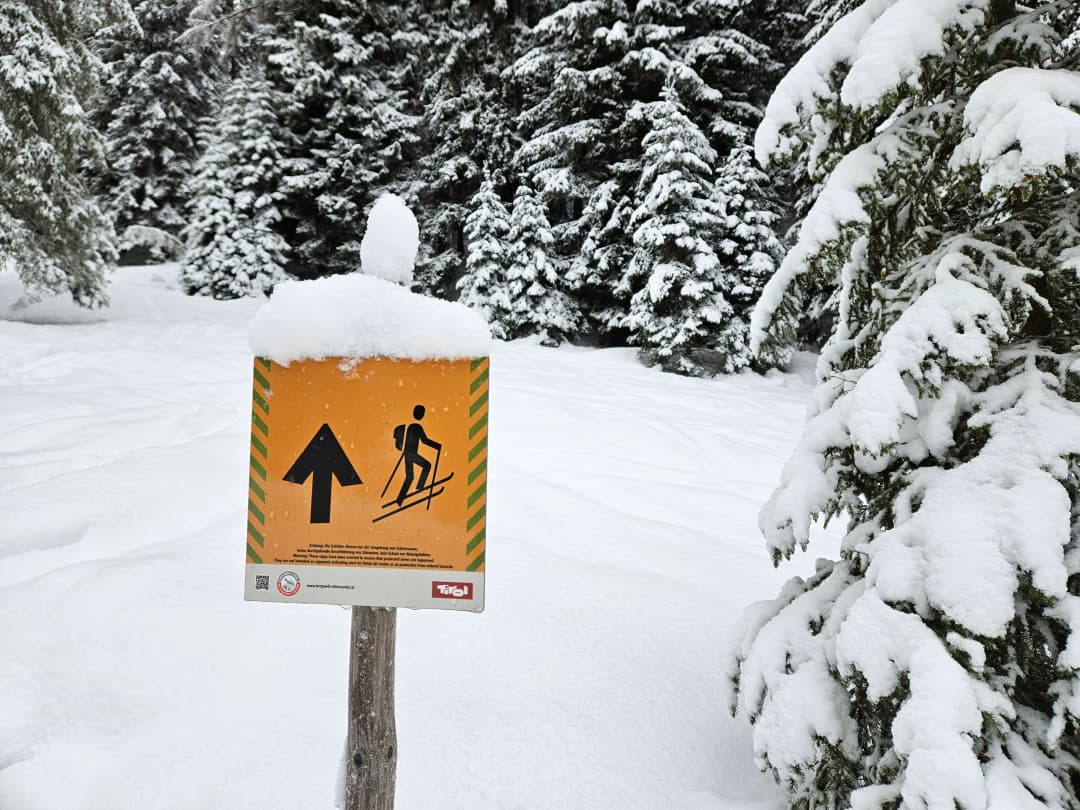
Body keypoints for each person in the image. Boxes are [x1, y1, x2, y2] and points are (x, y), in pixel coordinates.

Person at [397, 404, 441, 505]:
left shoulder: (411, 426)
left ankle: (399, 499)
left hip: (407, 454)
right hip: (411, 455)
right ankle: (420, 487)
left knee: (409, 477)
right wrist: (437, 446)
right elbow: (424, 440)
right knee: (427, 465)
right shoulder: (417, 427)